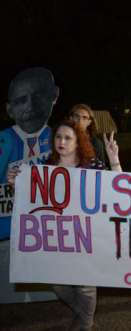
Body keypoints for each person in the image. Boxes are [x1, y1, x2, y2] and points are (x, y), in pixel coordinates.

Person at [8, 119, 122, 330]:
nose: (62, 141)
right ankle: (82, 314)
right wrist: (18, 185)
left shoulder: (93, 165)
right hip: (57, 237)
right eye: (58, 137)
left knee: (85, 286)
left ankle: (85, 323)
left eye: (68, 138)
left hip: (86, 234)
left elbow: (119, 190)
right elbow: (31, 202)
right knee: (57, 284)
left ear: (78, 142)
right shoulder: (46, 168)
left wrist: (114, 160)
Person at [0, 67, 59, 303]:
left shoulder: (62, 138)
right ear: (9, 109)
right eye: (21, 100)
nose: (31, 106)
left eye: (39, 96)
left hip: (50, 233)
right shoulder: (4, 141)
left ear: (54, 95)